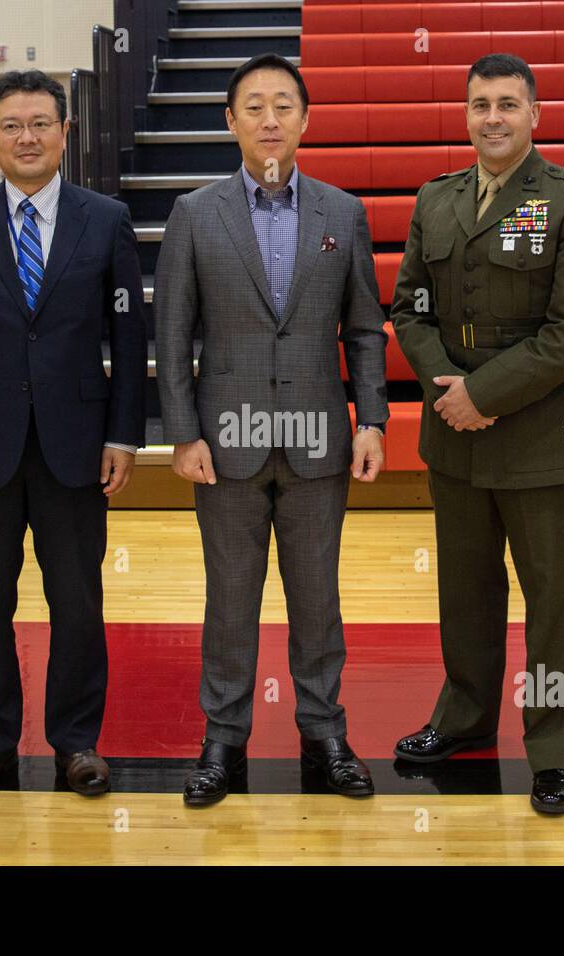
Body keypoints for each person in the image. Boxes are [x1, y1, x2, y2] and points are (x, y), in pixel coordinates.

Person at [154, 53, 389, 806]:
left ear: (305, 120)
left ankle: (325, 735)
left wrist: (373, 419)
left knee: (319, 600)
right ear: (229, 122)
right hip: (225, 444)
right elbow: (172, 336)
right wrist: (184, 433)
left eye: (283, 105)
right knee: (230, 600)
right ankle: (223, 740)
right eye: (252, 106)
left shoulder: (342, 213)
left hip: (320, 439)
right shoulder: (195, 213)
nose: (269, 119)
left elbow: (364, 331)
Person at [389, 53, 564, 815]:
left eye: (508, 104)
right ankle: (464, 717)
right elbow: (410, 307)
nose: (493, 117)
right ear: (466, 113)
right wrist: (448, 394)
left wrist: (481, 394)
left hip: (541, 438)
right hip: (453, 436)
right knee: (467, 592)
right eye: (480, 103)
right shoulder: (437, 199)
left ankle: (555, 747)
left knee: (553, 598)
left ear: (535, 114)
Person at [0, 70, 146, 802]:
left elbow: (127, 338)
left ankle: (77, 741)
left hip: (77, 443)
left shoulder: (105, 219)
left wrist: (124, 436)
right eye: (11, 125)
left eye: (41, 123)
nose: (27, 137)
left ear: (65, 133)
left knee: (77, 600)